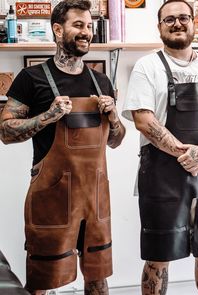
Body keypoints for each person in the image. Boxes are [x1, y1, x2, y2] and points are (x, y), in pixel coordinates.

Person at [0, 0, 125, 294]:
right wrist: (47, 116)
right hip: (51, 198)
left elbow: (116, 140)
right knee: (43, 277)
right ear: (58, 29)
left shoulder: (102, 81)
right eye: (78, 25)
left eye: (89, 26)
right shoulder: (31, 79)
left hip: (96, 199)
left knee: (98, 275)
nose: (86, 32)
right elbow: (5, 132)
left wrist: (116, 118)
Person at [122, 0, 198, 294]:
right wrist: (186, 154)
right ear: (159, 27)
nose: (177, 23)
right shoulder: (148, 67)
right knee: (159, 253)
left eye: (183, 17)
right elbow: (144, 120)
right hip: (161, 174)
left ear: (194, 23)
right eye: (169, 19)